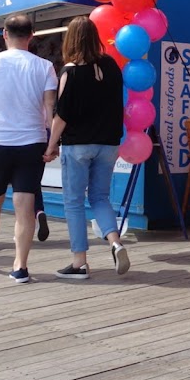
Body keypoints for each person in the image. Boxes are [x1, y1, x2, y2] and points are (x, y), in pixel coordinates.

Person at [0, 14, 57, 283]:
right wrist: (52, 143)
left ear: (4, 34)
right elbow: (50, 108)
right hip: (32, 141)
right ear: (31, 36)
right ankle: (20, 265)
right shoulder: (45, 67)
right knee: (25, 204)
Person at [46, 16, 129, 279]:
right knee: (100, 197)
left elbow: (62, 116)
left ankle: (79, 262)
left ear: (70, 40)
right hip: (108, 144)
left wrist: (50, 146)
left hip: (78, 145)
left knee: (73, 201)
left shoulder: (69, 71)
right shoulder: (112, 67)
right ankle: (115, 242)